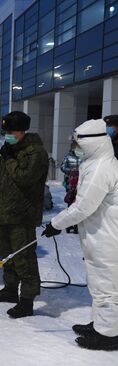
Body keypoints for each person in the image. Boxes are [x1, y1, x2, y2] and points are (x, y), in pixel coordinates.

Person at [43, 119, 118, 351]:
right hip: (99, 233)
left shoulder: (100, 168)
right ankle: (101, 324)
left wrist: (56, 223)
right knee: (99, 284)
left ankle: (108, 335)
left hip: (107, 236)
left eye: (80, 143)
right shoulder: (97, 162)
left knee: (106, 286)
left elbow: (84, 206)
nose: (77, 147)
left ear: (94, 143)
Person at [0, 111, 48, 319]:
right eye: (6, 132)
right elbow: (3, 181)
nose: (8, 135)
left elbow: (24, 178)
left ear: (22, 131)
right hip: (6, 212)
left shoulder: (35, 152)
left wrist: (10, 159)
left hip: (23, 216)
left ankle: (27, 300)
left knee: (24, 258)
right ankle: (10, 289)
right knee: (6, 254)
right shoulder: (10, 150)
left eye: (11, 131)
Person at [60, 141, 82, 234]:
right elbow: (62, 167)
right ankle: (69, 224)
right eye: (77, 147)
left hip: (81, 184)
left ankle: (77, 225)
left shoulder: (83, 157)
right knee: (71, 202)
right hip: (70, 184)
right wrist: (71, 171)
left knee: (79, 203)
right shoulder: (68, 156)